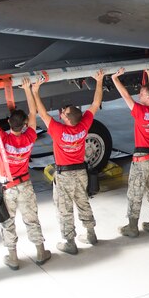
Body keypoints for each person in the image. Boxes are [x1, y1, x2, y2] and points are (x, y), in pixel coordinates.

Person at [0, 82, 51, 270]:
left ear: (9, 122)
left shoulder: (2, 139)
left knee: (7, 221)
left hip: (7, 186)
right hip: (25, 183)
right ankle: (41, 251)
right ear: (25, 124)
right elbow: (33, 114)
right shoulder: (30, 137)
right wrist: (27, 90)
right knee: (31, 218)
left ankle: (13, 257)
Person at [30, 71, 104, 254]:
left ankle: (69, 242)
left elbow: (42, 112)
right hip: (80, 173)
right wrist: (100, 81)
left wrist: (35, 91)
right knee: (83, 202)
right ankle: (90, 233)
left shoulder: (57, 130)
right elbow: (95, 104)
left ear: (67, 118)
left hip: (64, 176)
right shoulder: (83, 125)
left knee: (64, 209)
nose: (61, 113)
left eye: (64, 113)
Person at [110, 64, 149, 238]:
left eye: (141, 94)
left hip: (141, 159)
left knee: (135, 192)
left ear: (148, 97)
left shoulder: (140, 111)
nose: (138, 95)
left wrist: (114, 78)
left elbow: (125, 95)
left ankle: (132, 227)